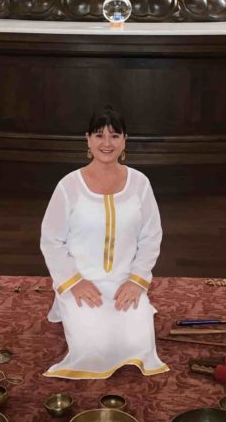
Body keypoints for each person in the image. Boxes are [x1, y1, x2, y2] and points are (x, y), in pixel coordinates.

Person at [39, 105, 169, 379]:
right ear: (88, 139)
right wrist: (74, 282)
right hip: (82, 282)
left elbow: (151, 236)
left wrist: (136, 281)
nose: (107, 143)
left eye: (114, 135)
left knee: (136, 344)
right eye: (99, 135)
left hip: (126, 281)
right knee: (93, 348)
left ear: (125, 141)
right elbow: (51, 241)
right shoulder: (69, 186)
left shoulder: (140, 183)